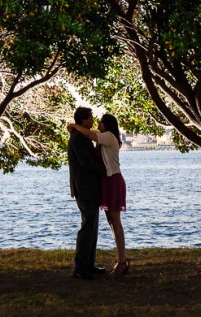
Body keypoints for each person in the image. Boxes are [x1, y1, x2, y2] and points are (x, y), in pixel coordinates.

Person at [69, 112, 130, 276]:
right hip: (106, 181)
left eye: (101, 122)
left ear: (108, 125)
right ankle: (118, 260)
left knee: (115, 222)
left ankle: (122, 261)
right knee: (111, 222)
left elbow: (89, 134)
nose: (97, 123)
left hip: (113, 181)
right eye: (93, 119)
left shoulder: (109, 136)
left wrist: (74, 125)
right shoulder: (101, 137)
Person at [67, 106, 109, 280]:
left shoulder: (80, 136)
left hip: (88, 188)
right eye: (91, 117)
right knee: (87, 227)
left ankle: (88, 264)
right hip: (85, 189)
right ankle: (80, 267)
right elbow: (86, 162)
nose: (93, 120)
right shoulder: (78, 138)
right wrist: (106, 170)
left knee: (92, 227)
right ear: (83, 119)